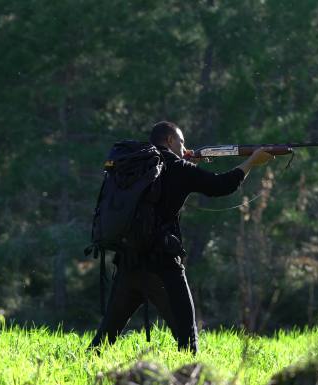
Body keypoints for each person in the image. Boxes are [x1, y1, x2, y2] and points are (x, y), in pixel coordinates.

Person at [88, 121, 273, 354]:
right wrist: (251, 162)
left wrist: (188, 166)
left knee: (101, 343)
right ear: (170, 141)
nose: (185, 147)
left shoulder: (140, 165)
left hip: (128, 263)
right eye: (182, 142)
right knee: (188, 344)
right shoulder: (178, 168)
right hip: (162, 267)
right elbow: (220, 186)